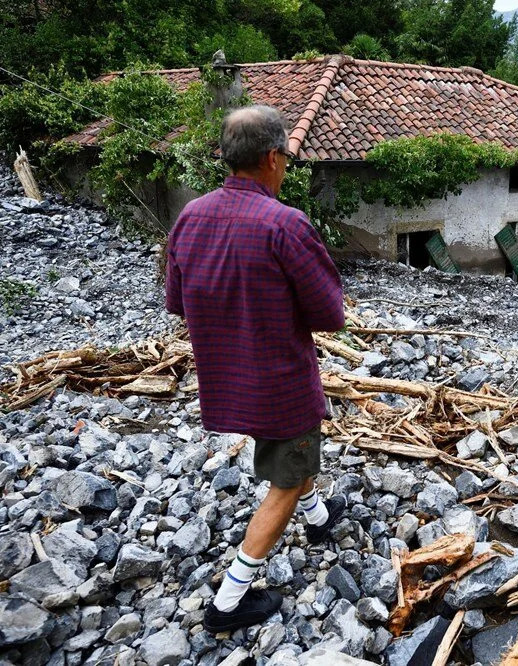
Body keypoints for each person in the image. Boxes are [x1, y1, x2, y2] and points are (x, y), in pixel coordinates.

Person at [165, 105, 347, 634]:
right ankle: (229, 600)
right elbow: (329, 314)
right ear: (272, 157)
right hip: (280, 381)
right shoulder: (286, 224)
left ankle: (318, 521)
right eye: (286, 156)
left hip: (226, 378)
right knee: (287, 477)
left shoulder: (190, 215)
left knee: (293, 454)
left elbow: (178, 301)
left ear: (226, 156)